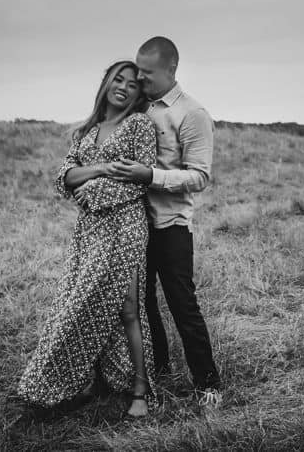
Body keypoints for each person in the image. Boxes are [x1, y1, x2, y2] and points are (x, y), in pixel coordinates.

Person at [16, 60, 160, 418]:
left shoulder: (138, 125)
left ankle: (140, 389)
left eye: (132, 84)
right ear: (107, 81)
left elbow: (139, 179)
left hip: (124, 225)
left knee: (126, 308)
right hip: (89, 231)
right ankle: (74, 381)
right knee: (80, 301)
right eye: (119, 79)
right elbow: (64, 177)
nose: (124, 87)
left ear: (139, 93)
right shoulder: (86, 130)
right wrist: (98, 171)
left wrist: (91, 191)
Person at [124, 36, 222, 406]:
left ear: (172, 70)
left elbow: (199, 176)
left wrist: (150, 176)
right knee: (143, 303)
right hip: (135, 224)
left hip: (172, 224)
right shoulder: (140, 107)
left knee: (182, 302)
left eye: (147, 73)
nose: (140, 78)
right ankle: (159, 370)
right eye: (138, 71)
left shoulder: (192, 114)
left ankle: (208, 384)